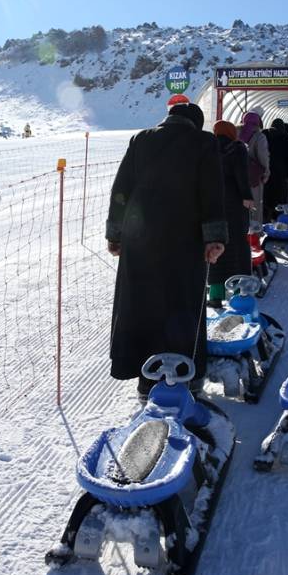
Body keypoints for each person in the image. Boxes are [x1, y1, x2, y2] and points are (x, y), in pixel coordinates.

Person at [106, 102, 227, 399]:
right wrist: (214, 239)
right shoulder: (204, 142)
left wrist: (116, 233)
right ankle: (185, 378)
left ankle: (146, 379)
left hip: (140, 238)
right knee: (181, 304)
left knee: (142, 304)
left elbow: (121, 189)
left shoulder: (141, 139)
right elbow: (212, 192)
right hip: (183, 241)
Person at [208, 120, 254, 307]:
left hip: (212, 204)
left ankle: (216, 296)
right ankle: (238, 293)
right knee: (236, 246)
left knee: (215, 246)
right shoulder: (238, 148)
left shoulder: (208, 148)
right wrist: (247, 196)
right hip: (234, 204)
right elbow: (241, 175)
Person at [238, 111, 270, 223]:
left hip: (237, 175)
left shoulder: (235, 133)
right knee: (254, 205)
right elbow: (263, 156)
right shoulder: (259, 136)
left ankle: (241, 233)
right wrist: (266, 172)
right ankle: (254, 234)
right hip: (254, 177)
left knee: (240, 206)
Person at [262, 118, 288, 224]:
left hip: (266, 169)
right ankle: (278, 218)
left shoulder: (265, 135)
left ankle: (266, 217)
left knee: (266, 195)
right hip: (282, 172)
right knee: (280, 196)